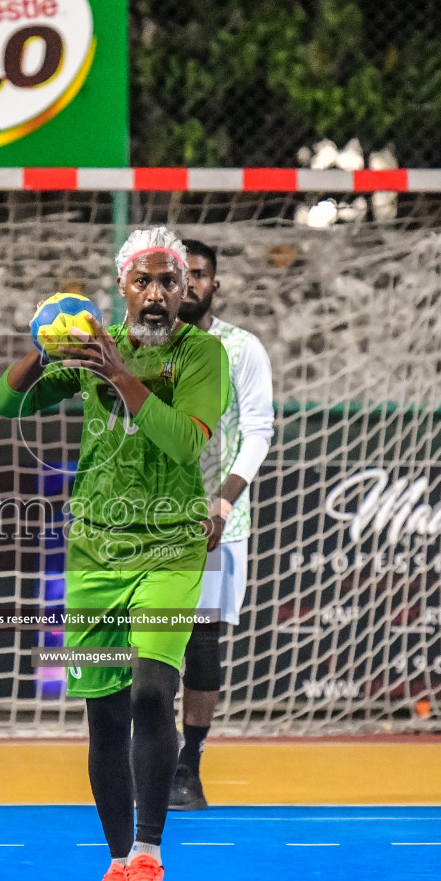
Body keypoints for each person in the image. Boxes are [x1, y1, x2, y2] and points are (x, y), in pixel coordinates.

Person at [0, 227, 229, 881]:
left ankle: (150, 860)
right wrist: (43, 355)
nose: (156, 295)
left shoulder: (202, 354)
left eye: (169, 282)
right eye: (143, 282)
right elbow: (3, 406)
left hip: (169, 547)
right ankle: (117, 865)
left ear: (185, 292)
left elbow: (185, 441)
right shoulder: (90, 349)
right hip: (94, 552)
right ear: (122, 288)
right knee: (104, 715)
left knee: (154, 692)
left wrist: (117, 371)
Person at [170, 239, 275, 812]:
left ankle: (189, 765)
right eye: (177, 276)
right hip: (147, 522)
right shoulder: (140, 345)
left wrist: (225, 502)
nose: (187, 286)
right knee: (144, 645)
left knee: (201, 643)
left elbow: (258, 430)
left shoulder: (241, 348)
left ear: (216, 284)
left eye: (199, 276)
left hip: (215, 523)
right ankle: (149, 755)